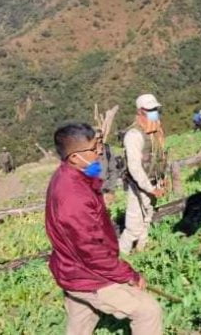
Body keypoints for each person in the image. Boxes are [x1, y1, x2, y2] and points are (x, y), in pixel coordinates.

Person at [45, 123, 162, 335]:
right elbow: (91, 251)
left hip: (71, 269)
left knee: (80, 326)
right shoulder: (73, 198)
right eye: (93, 149)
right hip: (88, 274)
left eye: (98, 145)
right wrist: (129, 275)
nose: (99, 151)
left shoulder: (69, 175)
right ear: (73, 157)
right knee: (148, 311)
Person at [119, 94, 168, 255]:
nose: (154, 113)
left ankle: (142, 250)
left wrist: (162, 180)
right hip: (139, 186)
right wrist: (149, 188)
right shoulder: (134, 135)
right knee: (133, 226)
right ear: (140, 112)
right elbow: (135, 168)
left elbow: (160, 157)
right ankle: (121, 255)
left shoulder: (154, 132)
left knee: (147, 219)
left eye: (156, 109)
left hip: (153, 182)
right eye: (150, 110)